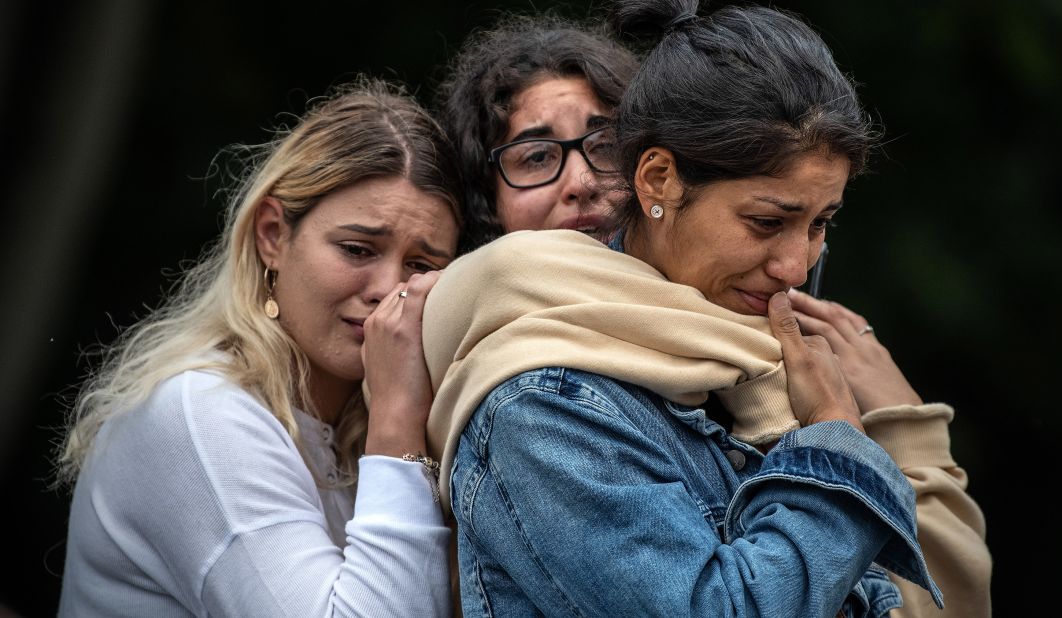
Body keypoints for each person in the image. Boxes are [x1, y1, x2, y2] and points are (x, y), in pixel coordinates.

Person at [436, 7, 991, 617]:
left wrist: (901, 432)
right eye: (767, 222)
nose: (795, 266)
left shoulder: (762, 361)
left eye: (820, 224)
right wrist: (836, 436)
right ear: (657, 181)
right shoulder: (546, 404)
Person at [55, 78, 461, 617]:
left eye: (422, 266)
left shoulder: (356, 425)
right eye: (358, 248)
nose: (388, 288)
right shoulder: (199, 413)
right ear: (273, 235)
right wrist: (396, 420)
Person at [435, 13, 638, 252]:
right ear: (489, 199)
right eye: (538, 157)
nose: (581, 184)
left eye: (606, 147)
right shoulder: (453, 287)